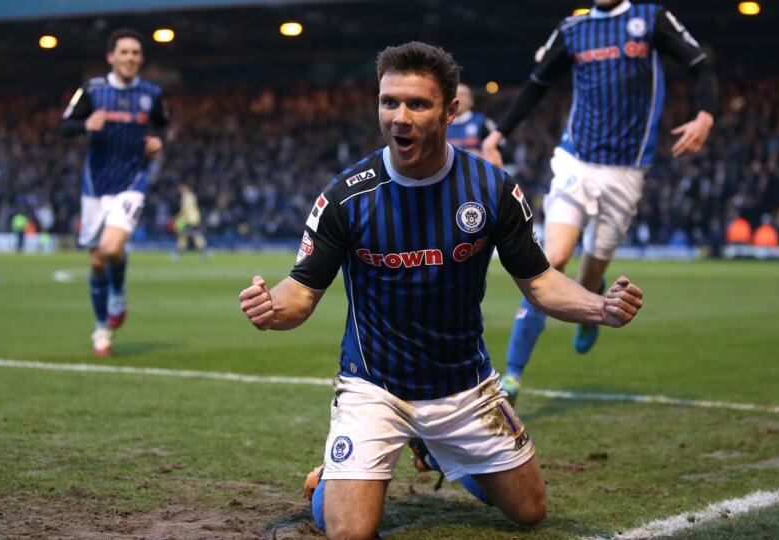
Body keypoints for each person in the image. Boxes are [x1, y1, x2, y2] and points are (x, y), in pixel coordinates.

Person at [238, 42, 644, 539]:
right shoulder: (346, 196)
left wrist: (598, 307)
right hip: (374, 386)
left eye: (417, 104)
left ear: (451, 110)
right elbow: (300, 293)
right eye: (389, 103)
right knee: (349, 532)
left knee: (529, 510)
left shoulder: (493, 190)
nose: (399, 118)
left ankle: (436, 447)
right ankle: (333, 478)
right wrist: (269, 306)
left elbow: (539, 282)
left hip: (464, 385)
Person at [481, 0, 717, 403]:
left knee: (588, 283)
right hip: (576, 161)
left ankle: (593, 294)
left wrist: (705, 115)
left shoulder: (650, 17)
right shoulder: (574, 29)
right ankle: (514, 375)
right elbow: (538, 84)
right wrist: (496, 134)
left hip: (626, 171)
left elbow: (700, 65)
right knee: (551, 261)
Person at [59, 28, 169, 356]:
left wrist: (158, 143)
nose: (130, 57)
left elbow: (163, 126)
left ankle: (117, 293)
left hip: (132, 183)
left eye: (135, 52)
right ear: (111, 57)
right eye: (124, 52)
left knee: (110, 247)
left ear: (141, 58)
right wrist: (84, 124)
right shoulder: (92, 90)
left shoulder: (152, 93)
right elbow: (64, 125)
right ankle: (101, 329)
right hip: (95, 187)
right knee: (96, 261)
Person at [446, 83, 497, 156]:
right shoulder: (440, 123)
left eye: (462, 94)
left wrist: (484, 154)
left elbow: (500, 144)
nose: (458, 98)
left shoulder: (482, 121)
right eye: (454, 94)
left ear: (471, 101)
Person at [173, 183, 208, 258]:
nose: (180, 190)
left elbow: (186, 209)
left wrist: (179, 217)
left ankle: (177, 254)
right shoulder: (192, 196)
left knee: (183, 236)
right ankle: (204, 252)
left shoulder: (186, 197)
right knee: (196, 236)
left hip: (189, 220)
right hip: (195, 219)